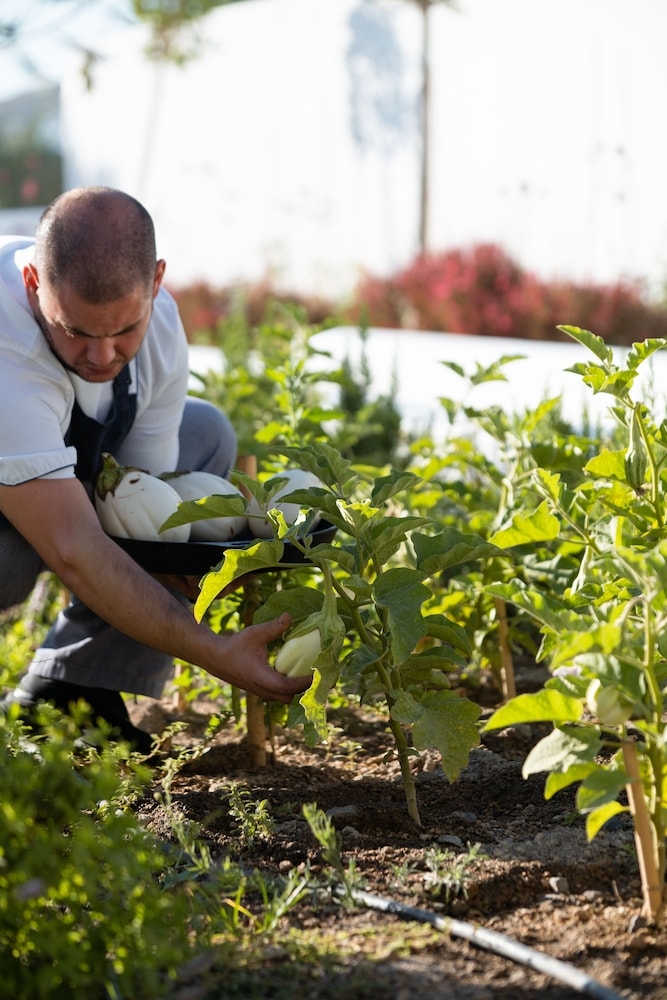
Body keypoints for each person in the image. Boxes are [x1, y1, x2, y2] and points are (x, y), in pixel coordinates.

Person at [0, 186, 307, 752]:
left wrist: (174, 572)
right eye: (75, 331)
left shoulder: (161, 325)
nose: (101, 356)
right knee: (13, 555)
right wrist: (208, 648)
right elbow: (73, 546)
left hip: (52, 482)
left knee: (205, 437)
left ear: (156, 282)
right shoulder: (6, 348)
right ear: (33, 285)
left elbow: (145, 508)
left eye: (124, 332)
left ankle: (73, 687)